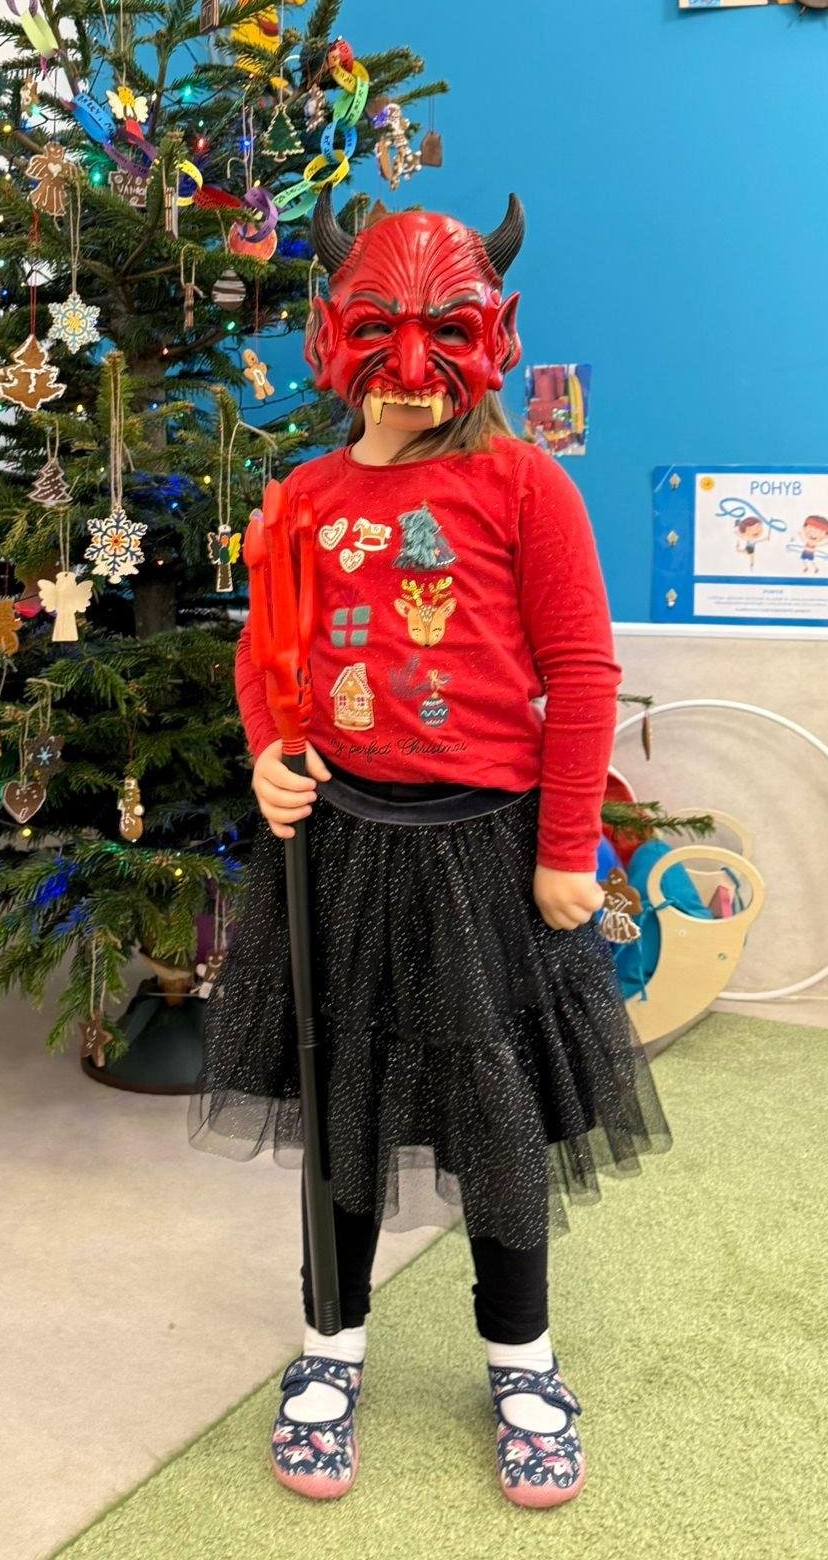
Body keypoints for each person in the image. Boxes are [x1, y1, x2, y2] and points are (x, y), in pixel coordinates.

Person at [188, 189, 670, 1509]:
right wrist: (272, 751)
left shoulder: (525, 485)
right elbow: (268, 654)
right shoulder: (305, 495)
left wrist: (566, 846)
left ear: (487, 336)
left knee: (495, 1118)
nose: (410, 373)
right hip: (340, 850)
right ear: (335, 335)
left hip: (488, 856)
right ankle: (330, 1347)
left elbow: (582, 672)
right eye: (382, 336)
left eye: (442, 336)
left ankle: (523, 1362)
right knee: (340, 1099)